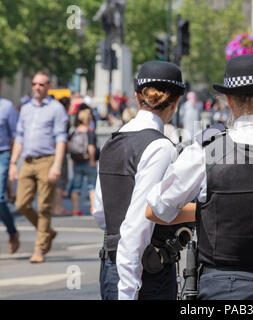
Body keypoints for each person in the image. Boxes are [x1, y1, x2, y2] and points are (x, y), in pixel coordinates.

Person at [145, 54, 253, 300]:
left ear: (228, 100)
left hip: (224, 289)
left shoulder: (204, 150)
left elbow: (157, 209)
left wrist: (209, 210)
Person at [93, 61, 193, 300]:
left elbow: (100, 213)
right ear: (176, 102)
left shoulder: (111, 142)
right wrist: (128, 290)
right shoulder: (160, 147)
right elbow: (139, 223)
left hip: (112, 265)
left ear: (137, 97)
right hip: (144, 272)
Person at [9, 70, 69, 263]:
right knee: (21, 204)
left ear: (48, 86)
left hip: (47, 160)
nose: (37, 87)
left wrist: (57, 165)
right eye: (35, 84)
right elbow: (19, 136)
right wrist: (13, 163)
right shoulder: (26, 108)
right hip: (27, 160)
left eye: (41, 84)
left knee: (44, 206)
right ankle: (47, 232)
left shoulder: (56, 109)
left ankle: (40, 248)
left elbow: (61, 139)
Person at [68, 109, 97, 216]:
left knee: (76, 186)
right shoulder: (89, 132)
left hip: (76, 161)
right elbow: (91, 147)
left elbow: (69, 146)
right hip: (88, 161)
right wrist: (92, 160)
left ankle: (75, 209)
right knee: (92, 186)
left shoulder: (74, 131)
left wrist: (73, 158)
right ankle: (93, 208)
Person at [0, 97, 19, 254]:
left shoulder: (7, 106)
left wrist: (13, 163)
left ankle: (12, 232)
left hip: (3, 154)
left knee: (0, 199)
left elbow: (15, 135)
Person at [52, 96, 71, 216]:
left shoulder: (54, 115)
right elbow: (64, 138)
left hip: (50, 149)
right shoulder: (64, 117)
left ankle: (52, 205)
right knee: (60, 178)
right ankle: (58, 206)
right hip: (60, 150)